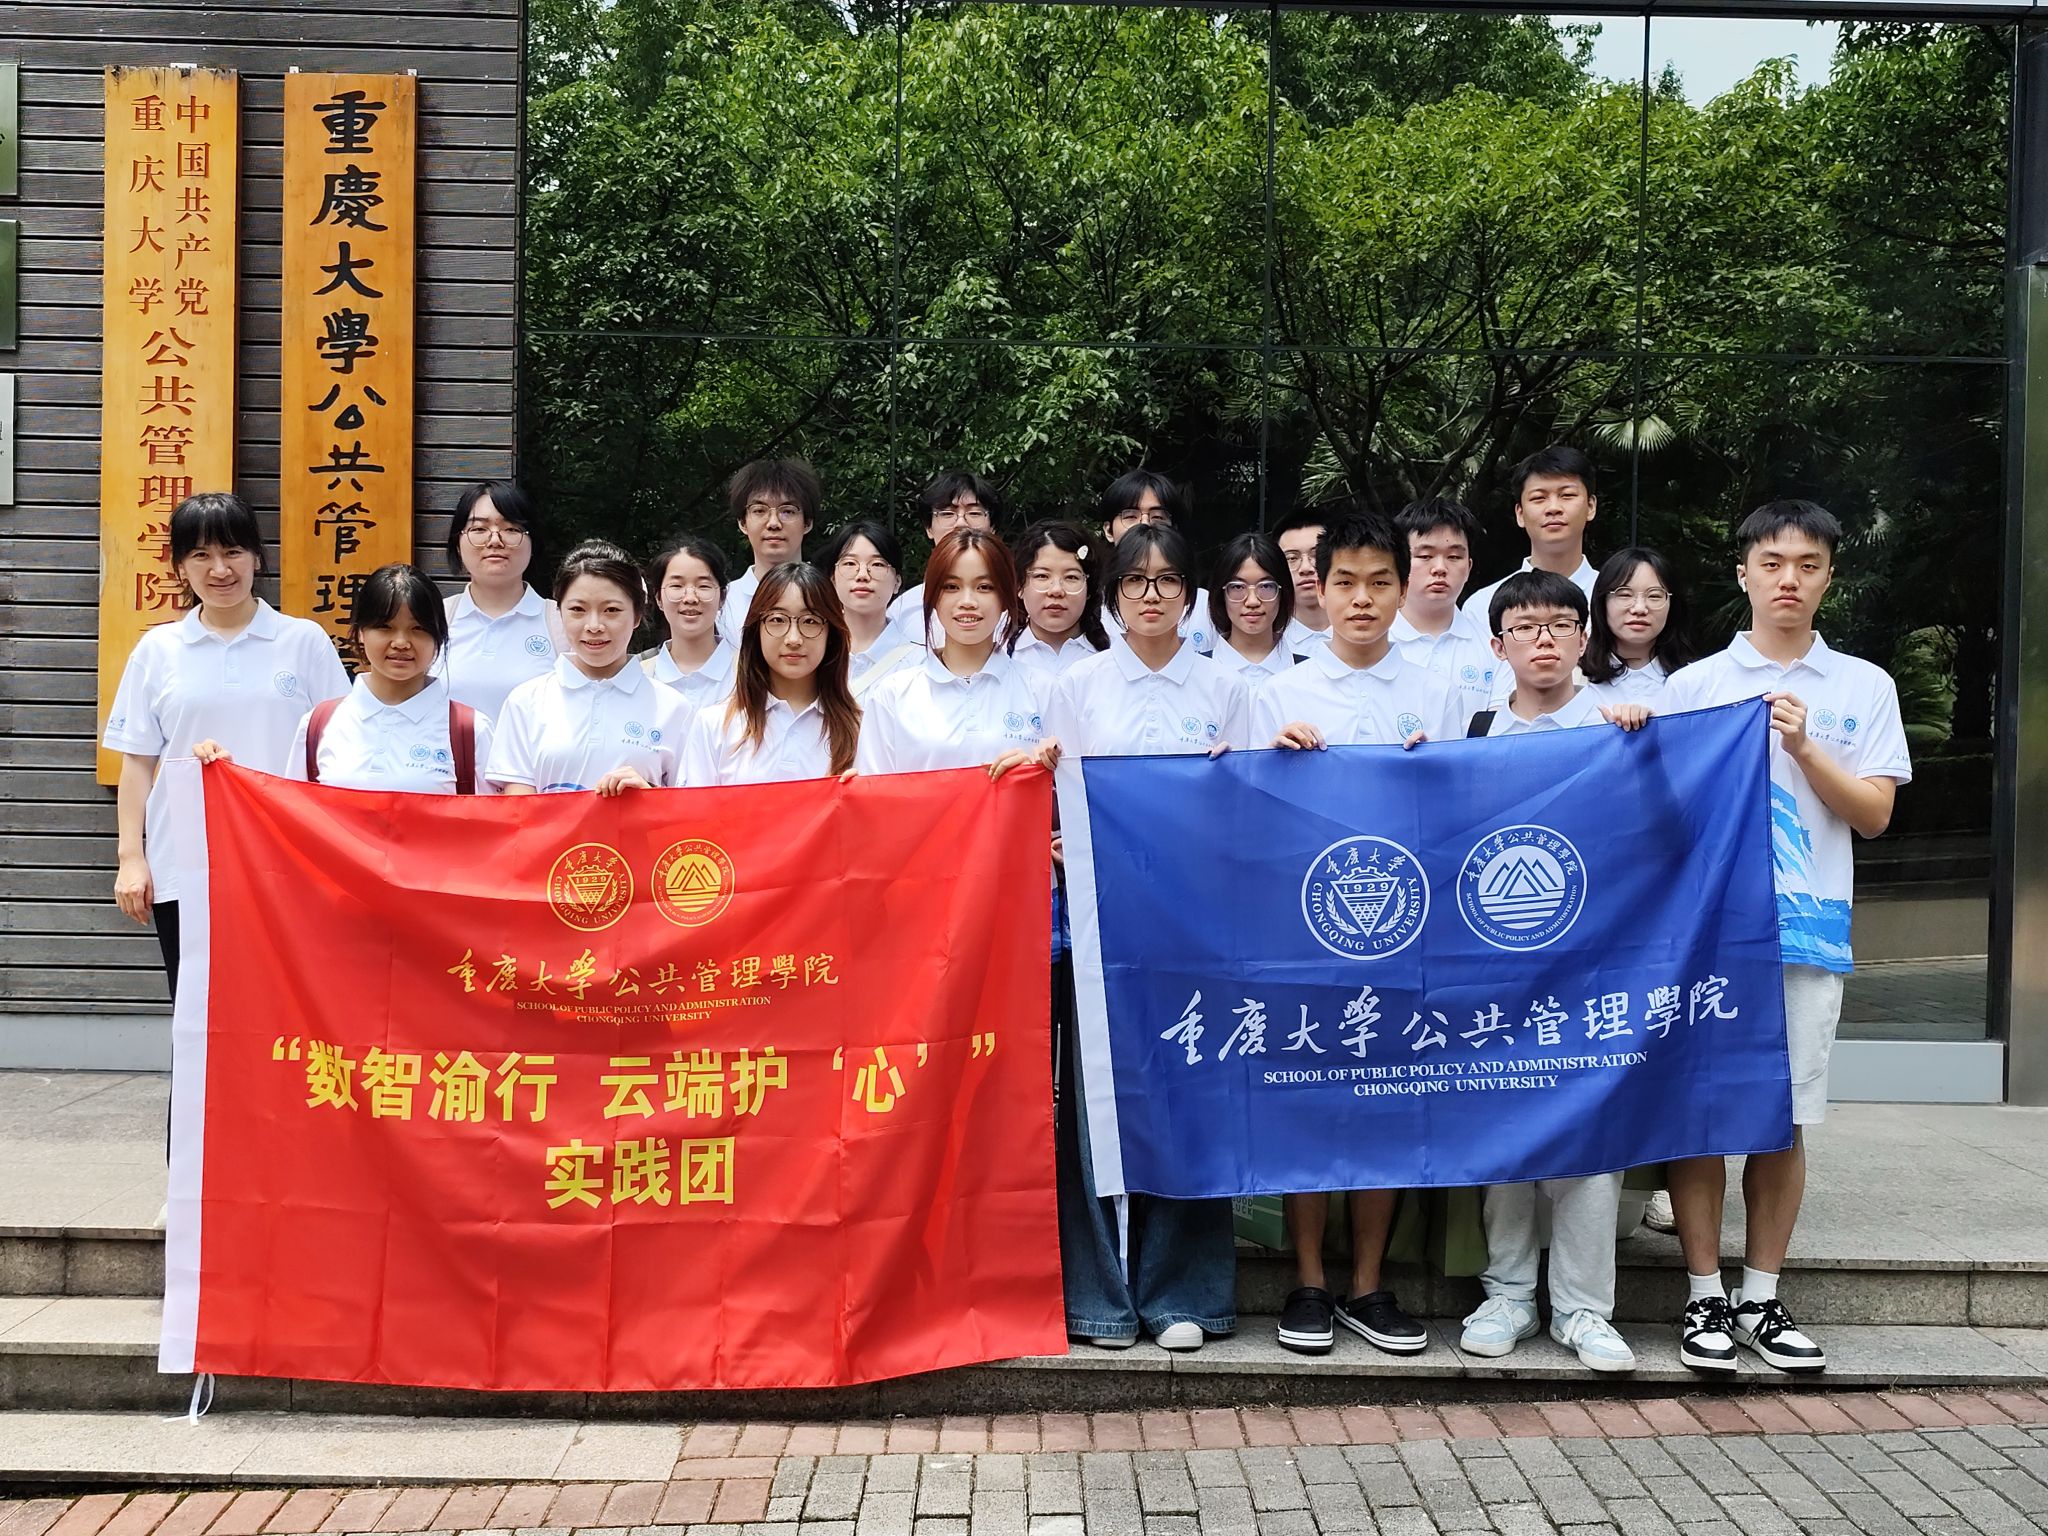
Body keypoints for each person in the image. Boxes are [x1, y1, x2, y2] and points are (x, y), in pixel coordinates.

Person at [1657, 501, 1911, 1377]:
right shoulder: (1693, 686)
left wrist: (1805, 748)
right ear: (1744, 573)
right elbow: (1660, 813)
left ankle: (1761, 1297)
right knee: (1700, 1114)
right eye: (1772, 563)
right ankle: (1703, 1297)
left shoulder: (1864, 686)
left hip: (1807, 934)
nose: (1789, 580)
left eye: (1807, 564)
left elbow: (1874, 815)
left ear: (1829, 576)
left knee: (1784, 1121)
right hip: (1707, 939)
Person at [1249, 510, 1461, 1359]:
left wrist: (1435, 772)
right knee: (1308, 1100)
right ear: (1321, 589)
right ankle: (1307, 1281)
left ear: (1402, 590)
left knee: (1386, 1106)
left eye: (1380, 582)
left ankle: (1368, 1284)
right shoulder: (1279, 692)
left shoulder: (1439, 691)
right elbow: (1244, 814)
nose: (1363, 599)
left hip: (1406, 934)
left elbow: (1465, 810)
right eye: (1346, 582)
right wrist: (1271, 760)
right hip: (1303, 934)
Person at [1042, 524, 1251, 1352]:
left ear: (1190, 597)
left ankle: (1183, 1296)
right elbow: (1053, 795)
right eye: (1136, 580)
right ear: (1114, 596)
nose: (1152, 594)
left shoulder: (1227, 687)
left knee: (1191, 1100)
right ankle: (1098, 1300)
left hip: (1198, 927)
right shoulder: (1079, 686)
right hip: (1101, 925)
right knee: (1096, 1104)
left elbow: (1250, 803)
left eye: (1168, 580)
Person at [1457, 570, 1648, 1375]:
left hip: (1595, 966)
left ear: (1583, 637)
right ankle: (1508, 1293)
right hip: (1498, 968)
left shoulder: (1617, 725)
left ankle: (1582, 1308)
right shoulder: (1474, 731)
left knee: (1590, 1130)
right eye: (1525, 627)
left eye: (1559, 624)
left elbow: (1658, 835)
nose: (1543, 639)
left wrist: (1644, 749)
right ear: (1497, 644)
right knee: (1506, 1127)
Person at [107, 492, 349, 995]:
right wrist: (132, 857)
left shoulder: (303, 641)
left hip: (289, 863)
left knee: (288, 1006)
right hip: (186, 863)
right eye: (201, 555)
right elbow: (137, 764)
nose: (220, 569)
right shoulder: (157, 650)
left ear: (257, 556)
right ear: (180, 567)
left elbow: (339, 752)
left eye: (233, 552)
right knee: (199, 1006)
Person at [488, 541, 688, 795]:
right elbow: (517, 807)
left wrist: (650, 796)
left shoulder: (673, 707)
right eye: (578, 610)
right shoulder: (525, 701)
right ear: (559, 612)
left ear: (637, 615)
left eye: (611, 610)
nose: (594, 626)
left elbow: (690, 806)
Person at [856, 530, 1055, 778]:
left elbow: (1069, 790)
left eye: (984, 587)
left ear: (1005, 596)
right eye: (951, 587)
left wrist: (1035, 772)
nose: (967, 601)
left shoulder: (1043, 690)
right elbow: (873, 791)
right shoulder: (892, 695)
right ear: (932, 597)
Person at [288, 563, 495, 794]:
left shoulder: (470, 730)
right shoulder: (318, 723)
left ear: (438, 637)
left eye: (418, 628)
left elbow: (493, 815)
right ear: (360, 632)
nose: (401, 643)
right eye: (385, 627)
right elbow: (296, 810)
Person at [682, 562, 862, 785]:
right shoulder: (714, 725)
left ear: (831, 634)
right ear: (756, 629)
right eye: (777, 620)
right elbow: (691, 807)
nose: (793, 639)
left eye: (810, 621)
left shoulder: (861, 729)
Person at [439, 481, 565, 721]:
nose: (495, 540)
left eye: (511, 529)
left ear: (532, 543)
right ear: (458, 543)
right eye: (479, 529)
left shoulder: (561, 622)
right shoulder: (435, 619)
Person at [1460, 445, 1600, 631]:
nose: (1553, 508)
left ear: (1590, 507)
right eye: (1539, 498)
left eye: (1567, 495)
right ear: (1520, 513)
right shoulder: (1480, 608)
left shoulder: (1618, 601)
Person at [1389, 496, 1500, 724]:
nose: (1440, 568)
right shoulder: (1368, 642)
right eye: (1425, 556)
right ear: (1398, 563)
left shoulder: (1495, 647)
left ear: (1469, 567)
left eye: (1454, 557)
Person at [1094, 469, 1216, 653]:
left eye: (1158, 517)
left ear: (1174, 528)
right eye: (1131, 516)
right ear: (1108, 530)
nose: (1144, 524)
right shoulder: (1090, 606)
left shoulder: (1204, 606)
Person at [886, 471, 1005, 642]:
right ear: (928, 528)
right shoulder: (903, 609)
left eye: (974, 513)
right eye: (947, 513)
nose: (961, 523)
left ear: (993, 527)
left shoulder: (1016, 607)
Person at [1582, 546, 1700, 707]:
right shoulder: (1572, 679)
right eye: (1625, 594)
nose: (1639, 608)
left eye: (1654, 596)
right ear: (1602, 603)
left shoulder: (1696, 682)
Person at [717, 458, 819, 644]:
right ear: (742, 522)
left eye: (787, 511)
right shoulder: (721, 604)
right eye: (759, 510)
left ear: (807, 522)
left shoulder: (832, 596)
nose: (773, 523)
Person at [816, 520, 922, 697]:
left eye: (877, 564)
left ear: (897, 582)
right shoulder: (813, 653)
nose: (862, 575)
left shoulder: (919, 663)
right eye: (850, 563)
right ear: (833, 579)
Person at [643, 536, 738, 714]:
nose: (690, 598)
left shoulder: (751, 674)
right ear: (658, 599)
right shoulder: (638, 676)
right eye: (677, 586)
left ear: (722, 597)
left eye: (703, 586)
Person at [1008, 520, 1107, 682]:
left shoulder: (1115, 657)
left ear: (1089, 588)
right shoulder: (996, 655)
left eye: (1071, 577)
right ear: (1019, 586)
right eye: (1042, 576)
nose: (1056, 590)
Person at [1207, 531, 1298, 687]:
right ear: (1221, 594)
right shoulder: (1196, 673)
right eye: (1237, 587)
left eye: (1266, 586)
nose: (1252, 601)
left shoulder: (1310, 675)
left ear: (1283, 592)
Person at [1272, 506, 1332, 655]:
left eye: (1317, 555)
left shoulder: (1373, 637)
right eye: (1292, 558)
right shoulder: (1268, 645)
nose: (1306, 568)